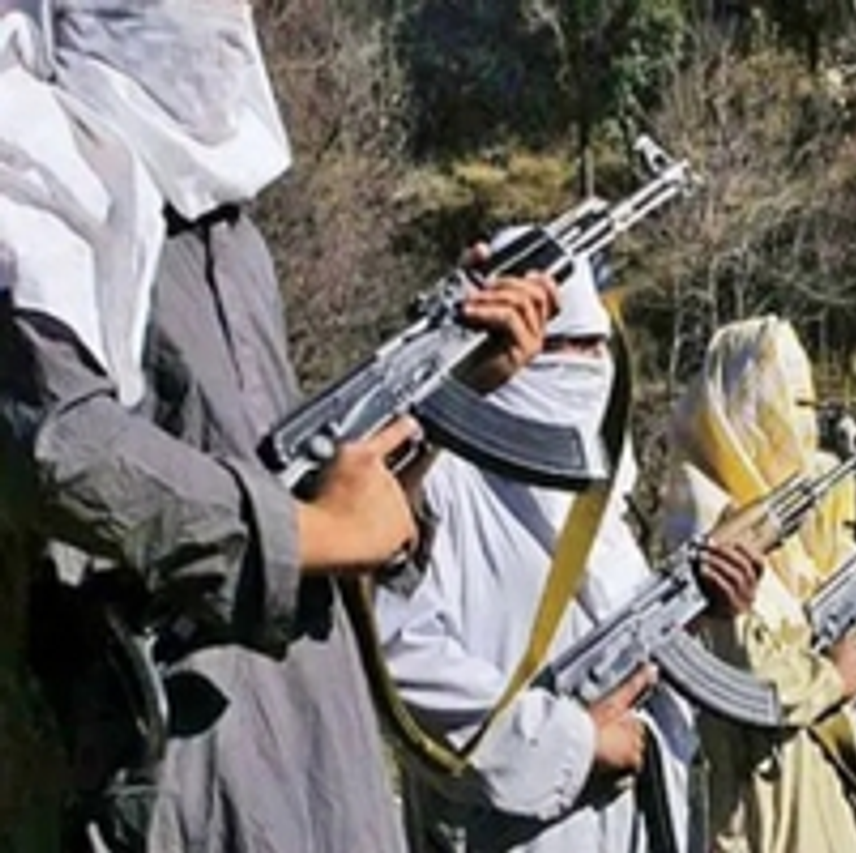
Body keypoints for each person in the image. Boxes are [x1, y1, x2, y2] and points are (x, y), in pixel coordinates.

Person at [0, 2, 558, 850]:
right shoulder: (39, 205)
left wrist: (442, 391)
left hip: (318, 732)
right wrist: (312, 534)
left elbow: (307, 484)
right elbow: (59, 449)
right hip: (171, 758)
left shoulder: (233, 238)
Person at [376, 241, 764, 853]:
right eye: (564, 347)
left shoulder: (598, 501)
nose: (588, 368)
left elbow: (623, 649)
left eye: (596, 347)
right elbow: (398, 658)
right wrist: (572, 743)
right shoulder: (435, 481)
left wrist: (701, 610)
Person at [660, 314, 856, 853]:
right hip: (758, 820)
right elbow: (751, 685)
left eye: (809, 407)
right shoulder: (705, 536)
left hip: (816, 807)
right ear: (742, 412)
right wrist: (834, 678)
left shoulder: (790, 554)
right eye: (791, 405)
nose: (802, 428)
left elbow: (827, 671)